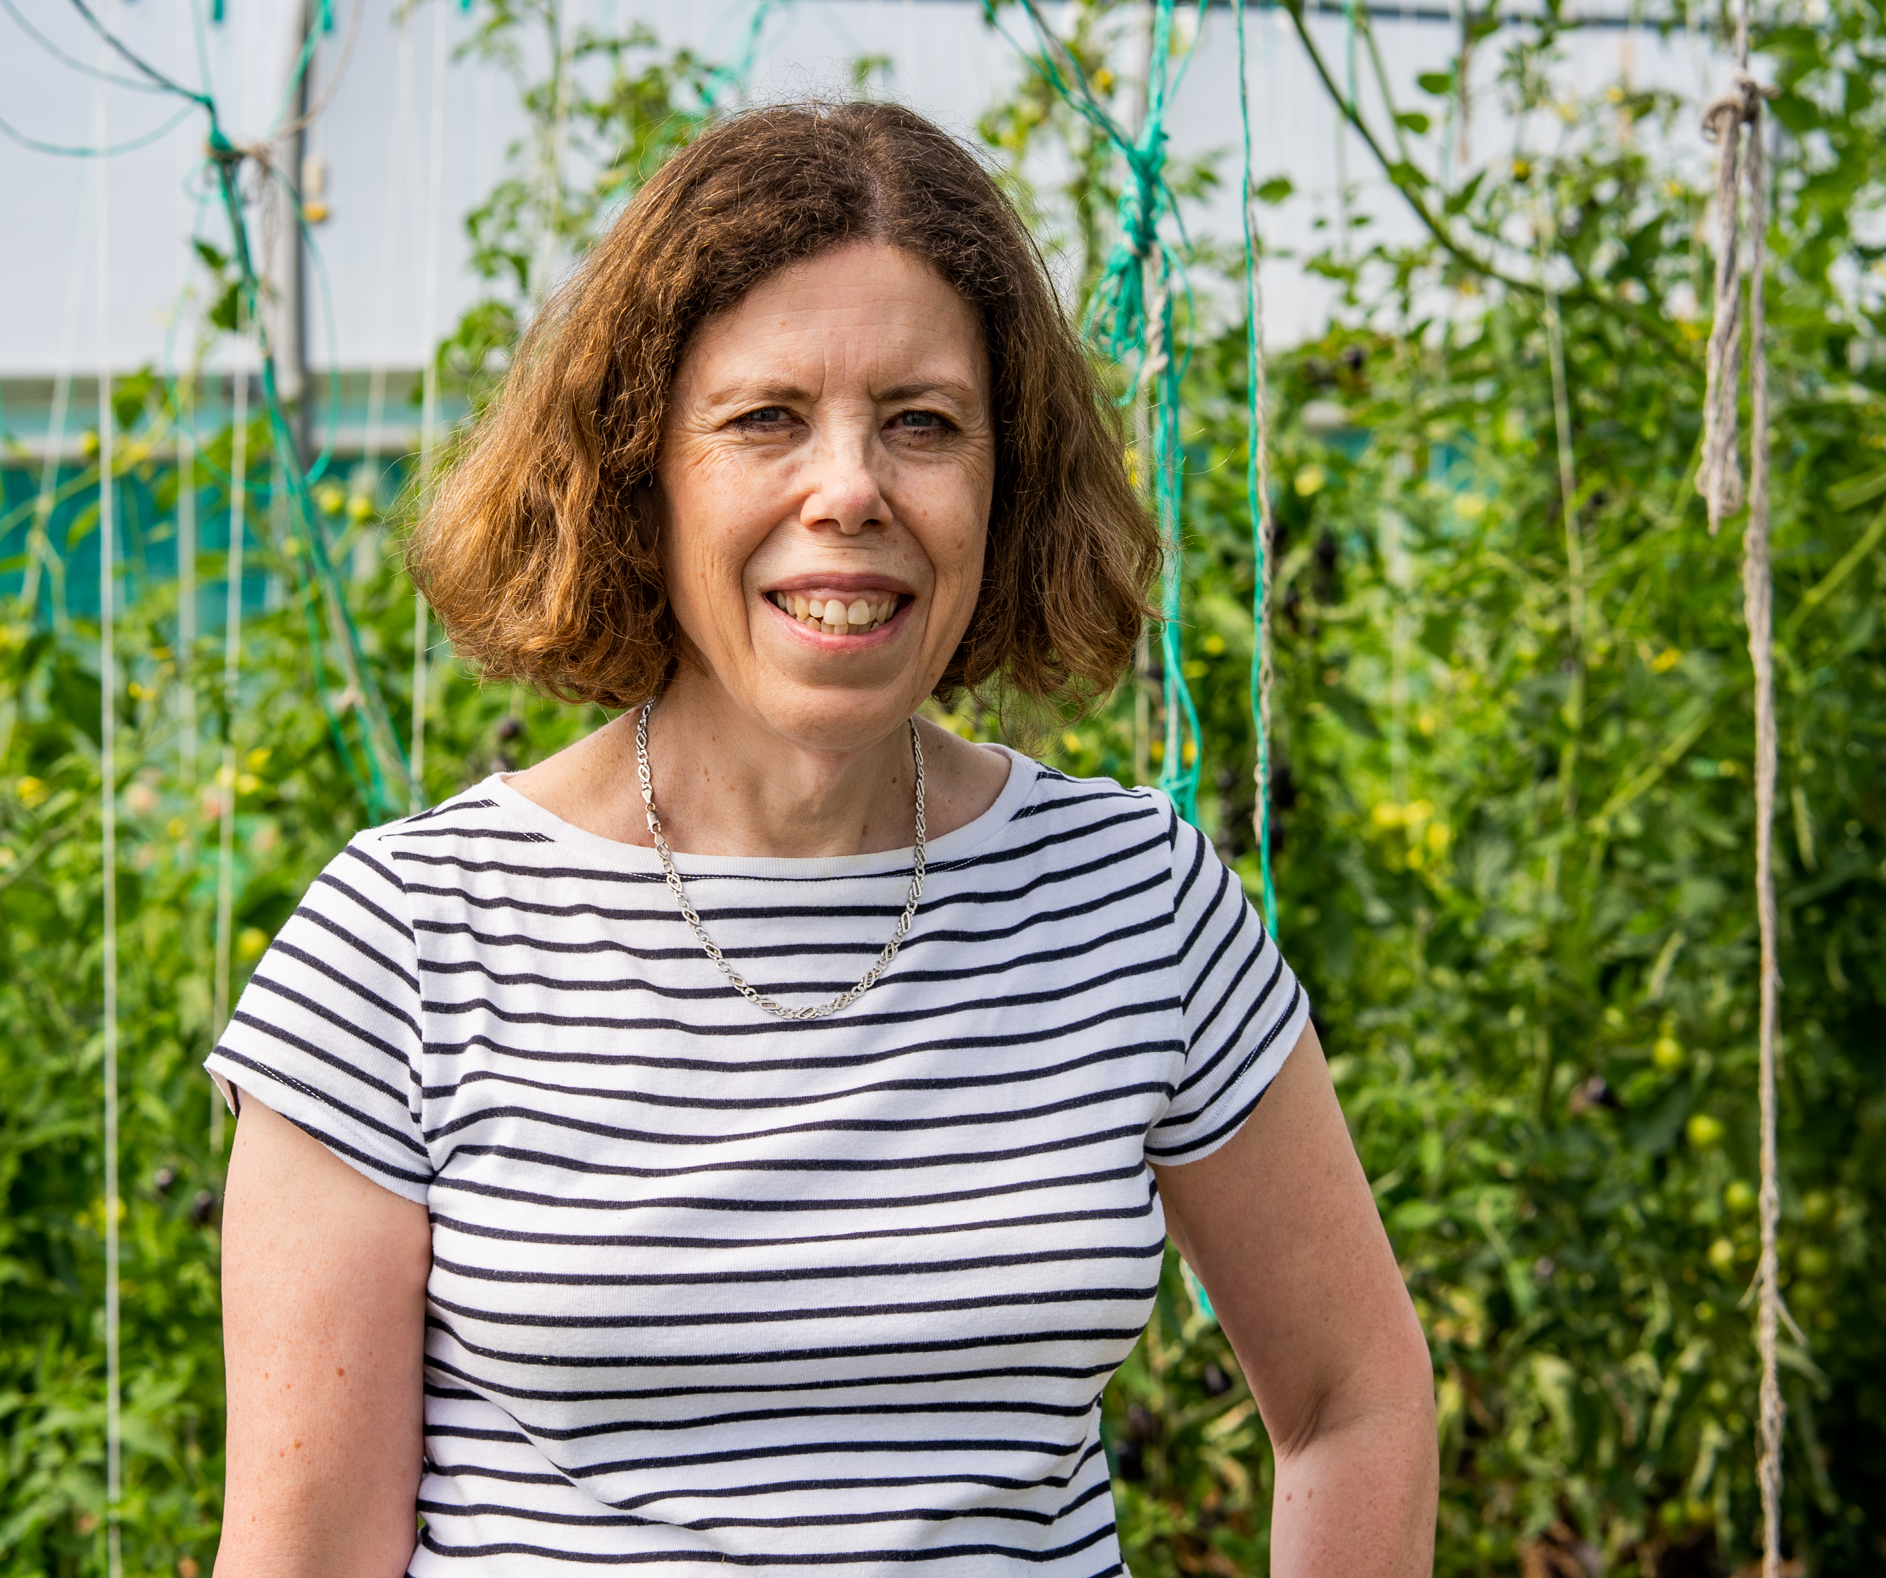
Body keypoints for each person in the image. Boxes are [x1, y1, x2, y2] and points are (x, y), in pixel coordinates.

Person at [206, 101, 1436, 1578]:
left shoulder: (1137, 905)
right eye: (765, 418)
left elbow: (1354, 1398)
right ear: (634, 474)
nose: (850, 489)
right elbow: (309, 1552)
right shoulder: (408, 943)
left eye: (922, 423)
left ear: (1005, 481)